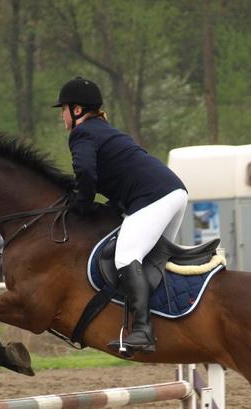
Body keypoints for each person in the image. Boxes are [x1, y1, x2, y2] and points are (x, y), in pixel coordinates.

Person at [54, 76, 188, 354]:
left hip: (155, 198)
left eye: (63, 109)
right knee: (150, 262)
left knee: (126, 257)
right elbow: (120, 176)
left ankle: (143, 332)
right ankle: (167, 323)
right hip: (174, 193)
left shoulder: (82, 133)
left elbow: (86, 173)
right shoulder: (104, 130)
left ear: (77, 110)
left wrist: (83, 205)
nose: (61, 116)